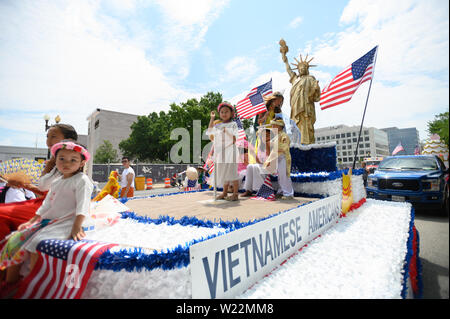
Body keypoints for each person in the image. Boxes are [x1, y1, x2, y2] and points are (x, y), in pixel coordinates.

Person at [0, 141, 93, 291]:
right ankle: (12, 282)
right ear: (55, 160)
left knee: (37, 242)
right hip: (51, 220)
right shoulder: (57, 182)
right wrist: (32, 221)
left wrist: (77, 225)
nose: (66, 163)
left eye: (73, 160)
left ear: (82, 163)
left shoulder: (82, 180)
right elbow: (47, 204)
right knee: (15, 239)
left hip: (68, 221)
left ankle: (34, 282)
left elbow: (83, 204)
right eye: (61, 158)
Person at [0, 124, 78, 245]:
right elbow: (45, 189)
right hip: (44, 203)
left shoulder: (71, 163)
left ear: (68, 140)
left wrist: (25, 185)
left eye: (53, 136)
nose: (49, 141)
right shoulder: (53, 162)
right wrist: (23, 184)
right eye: (47, 136)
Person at [280, 47, 320, 144]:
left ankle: (308, 144)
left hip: (306, 108)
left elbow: (315, 96)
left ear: (307, 69)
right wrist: (284, 58)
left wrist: (315, 89)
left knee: (306, 125)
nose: (302, 69)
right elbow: (289, 70)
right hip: (295, 109)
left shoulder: (310, 79)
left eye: (304, 68)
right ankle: (297, 143)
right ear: (298, 70)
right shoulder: (295, 79)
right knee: (296, 126)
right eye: (300, 68)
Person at [207, 102, 239, 201]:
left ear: (231, 113)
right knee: (224, 172)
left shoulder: (233, 124)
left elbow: (234, 139)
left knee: (232, 172)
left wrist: (227, 132)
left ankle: (235, 194)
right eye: (222, 112)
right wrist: (212, 118)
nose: (224, 114)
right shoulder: (218, 125)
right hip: (221, 151)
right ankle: (224, 193)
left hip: (230, 150)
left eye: (226, 112)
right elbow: (210, 132)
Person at [263, 119, 294, 199]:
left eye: (274, 125)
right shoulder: (276, 136)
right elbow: (271, 146)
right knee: (280, 176)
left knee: (284, 175)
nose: (272, 127)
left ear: (279, 126)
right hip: (278, 158)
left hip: (283, 157)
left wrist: (272, 145)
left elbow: (284, 147)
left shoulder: (284, 135)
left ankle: (288, 194)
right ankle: (281, 191)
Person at [241, 128, 271, 197]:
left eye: (268, 135)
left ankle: (259, 190)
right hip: (262, 165)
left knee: (256, 167)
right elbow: (259, 161)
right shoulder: (260, 146)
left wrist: (267, 145)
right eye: (264, 135)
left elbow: (271, 158)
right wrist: (253, 155)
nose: (266, 137)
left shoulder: (272, 144)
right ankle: (248, 190)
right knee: (250, 166)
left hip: (270, 166)